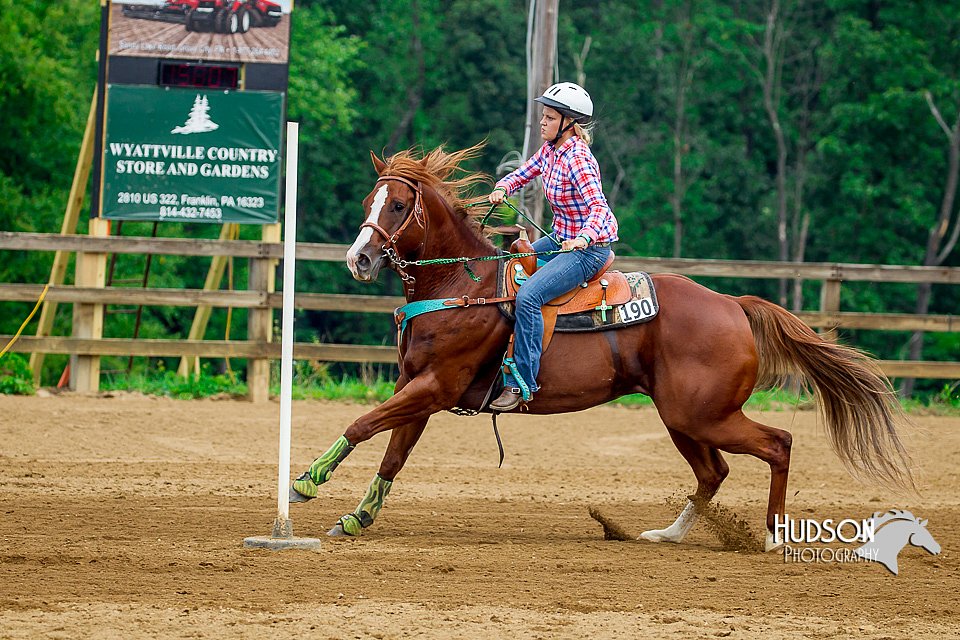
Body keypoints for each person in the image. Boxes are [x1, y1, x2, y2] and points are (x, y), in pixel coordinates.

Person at [488, 82, 619, 411]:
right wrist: (503, 187)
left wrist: (584, 237)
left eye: (548, 117)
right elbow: (525, 172)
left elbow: (600, 210)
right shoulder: (550, 150)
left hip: (587, 251)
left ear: (568, 123)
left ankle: (522, 382)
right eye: (543, 116)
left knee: (530, 296)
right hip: (562, 240)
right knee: (507, 267)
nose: (542, 122)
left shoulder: (580, 160)